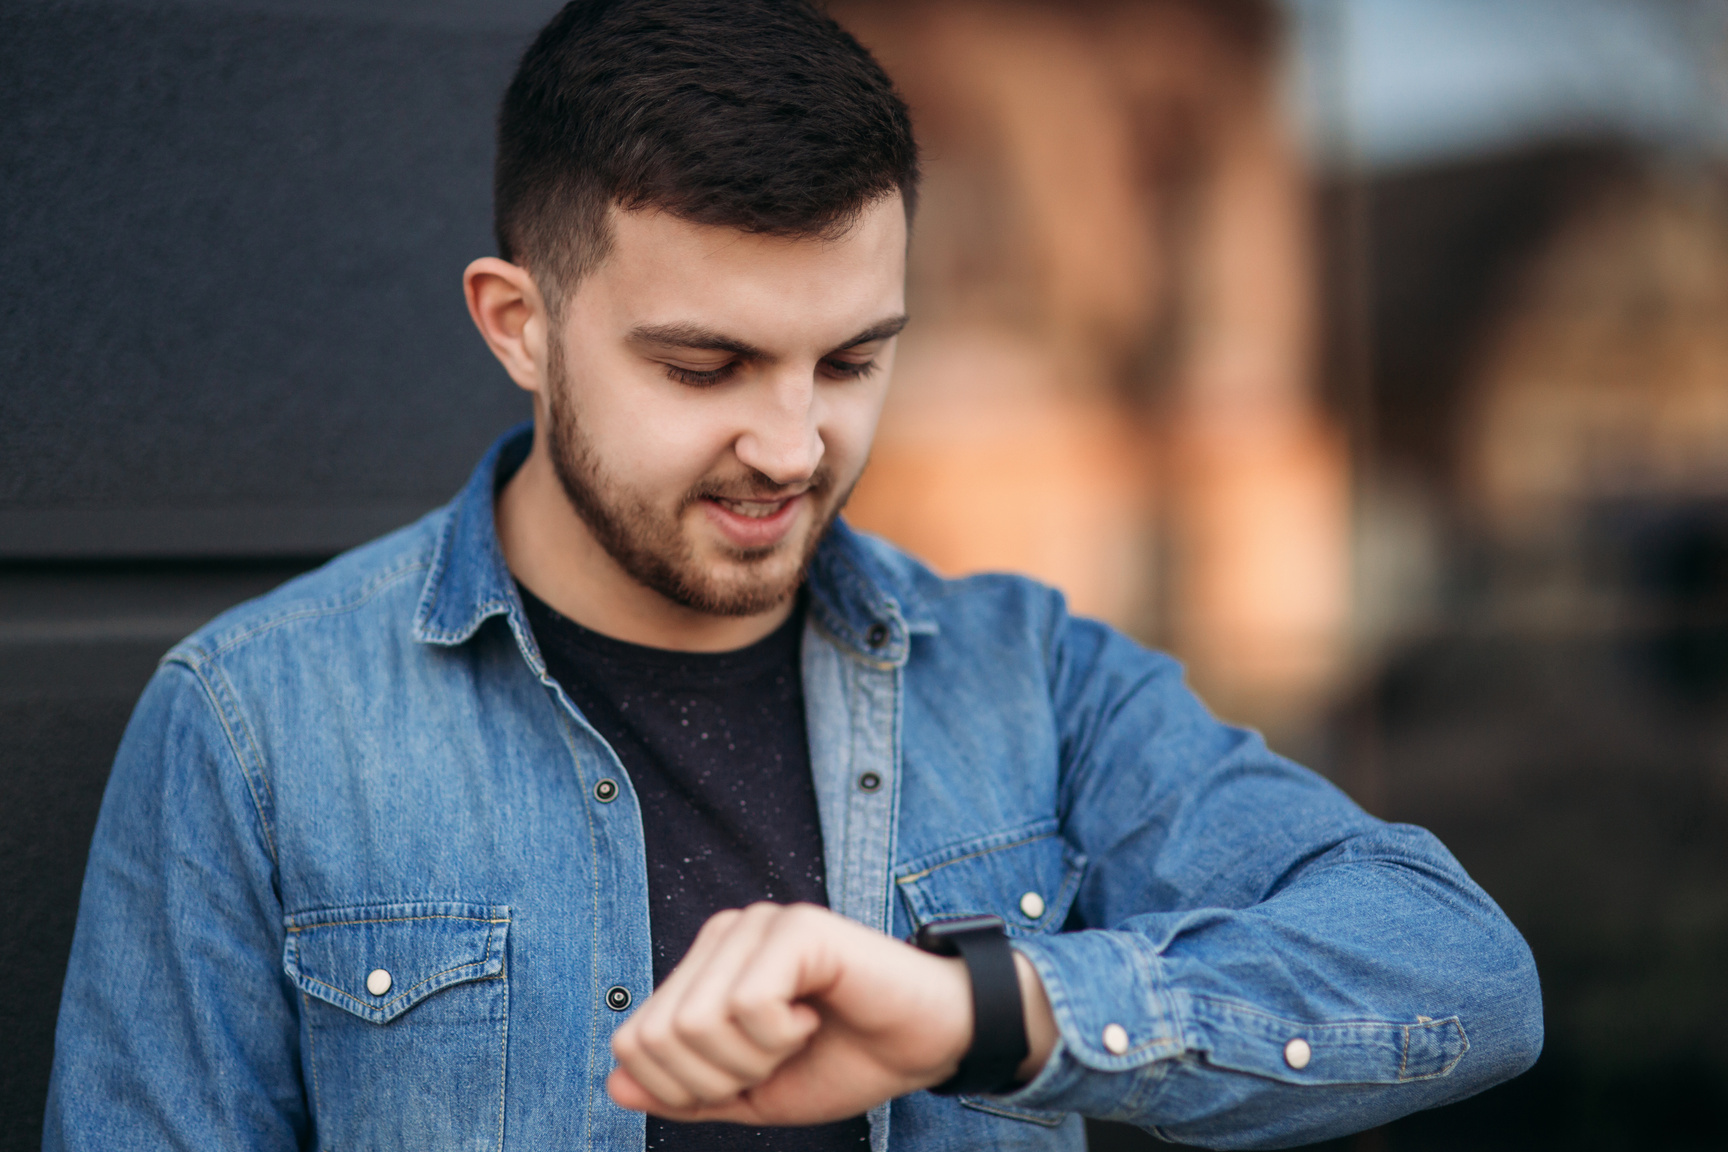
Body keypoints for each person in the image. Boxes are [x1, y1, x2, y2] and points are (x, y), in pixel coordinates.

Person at [43, 1, 1543, 1148]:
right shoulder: (257, 728)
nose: (789, 444)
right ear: (519, 323)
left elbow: (1464, 977)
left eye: (853, 359)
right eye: (706, 366)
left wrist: (984, 1016)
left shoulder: (1026, 678)